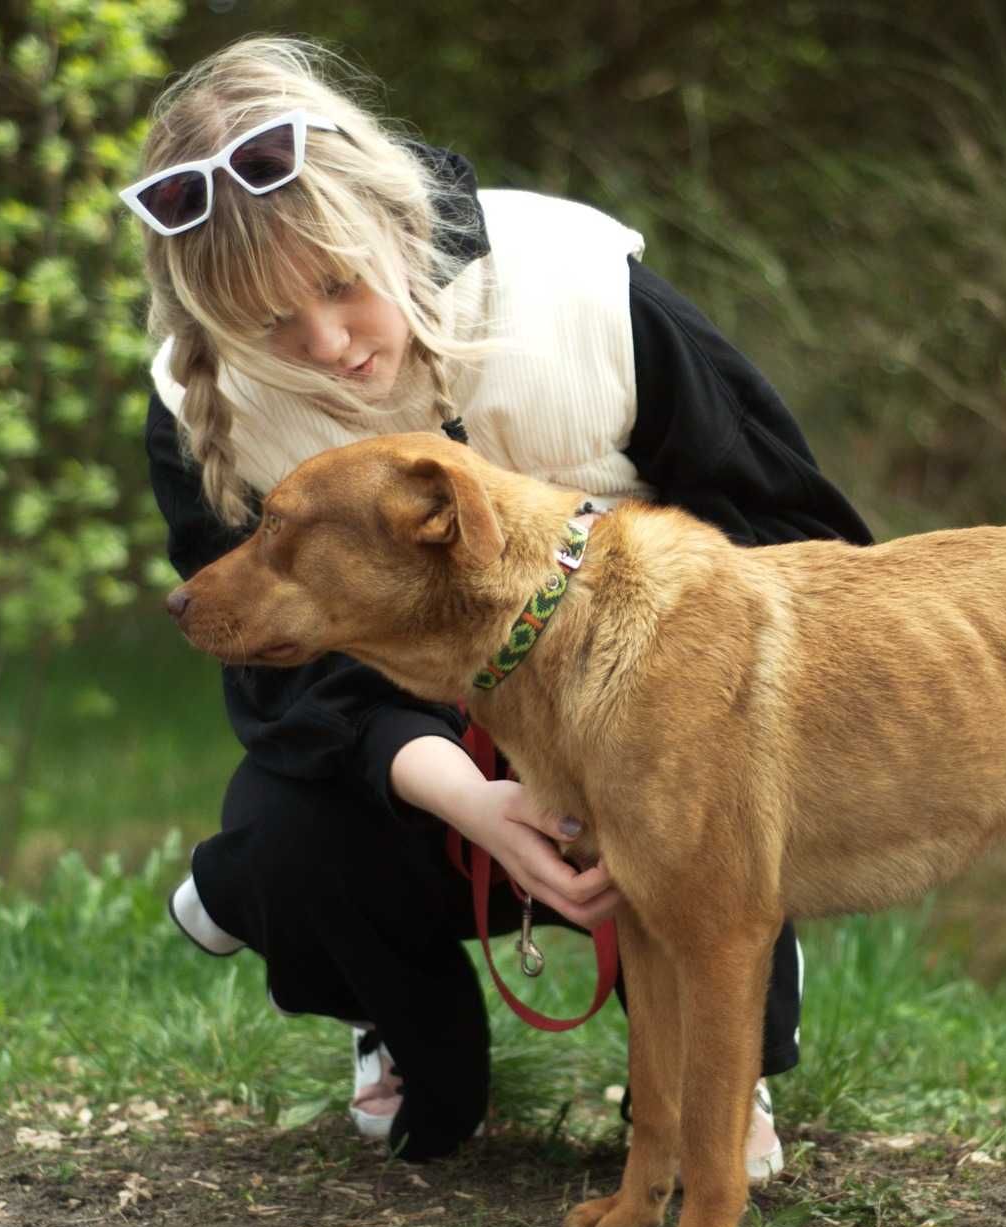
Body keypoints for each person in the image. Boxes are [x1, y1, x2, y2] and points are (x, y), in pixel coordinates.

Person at [128, 36, 872, 1166]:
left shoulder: (573, 284)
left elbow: (794, 534)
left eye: (340, 286)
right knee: (288, 836)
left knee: (697, 799)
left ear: (394, 221)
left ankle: (730, 1027)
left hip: (646, 710)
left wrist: (640, 748)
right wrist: (476, 798)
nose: (328, 346)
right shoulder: (199, 411)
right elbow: (280, 687)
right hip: (426, 754)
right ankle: (370, 998)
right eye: (274, 325)